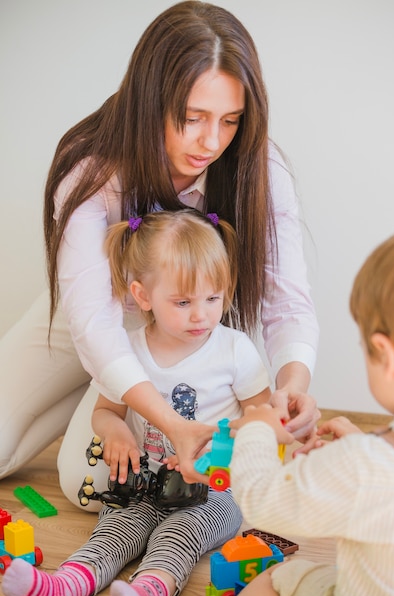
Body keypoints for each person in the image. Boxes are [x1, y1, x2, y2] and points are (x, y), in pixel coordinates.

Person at [0, 1, 319, 509]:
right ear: (150, 100)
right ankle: (92, 386)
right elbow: (93, 321)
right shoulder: (91, 170)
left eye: (230, 121)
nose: (211, 142)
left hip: (178, 330)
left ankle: (96, 394)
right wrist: (166, 421)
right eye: (192, 118)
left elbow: (289, 301)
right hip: (99, 309)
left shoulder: (261, 169)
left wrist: (294, 384)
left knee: (88, 486)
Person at [2, 208, 272, 596]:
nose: (201, 314)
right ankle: (64, 588)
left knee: (178, 535)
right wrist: (116, 435)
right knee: (114, 530)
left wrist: (233, 444)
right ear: (143, 296)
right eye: (183, 302)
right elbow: (107, 412)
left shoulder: (235, 351)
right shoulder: (127, 351)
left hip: (213, 492)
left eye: (213, 298)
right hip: (145, 481)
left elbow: (261, 415)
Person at [223, 226, 394, 596]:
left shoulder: (365, 468)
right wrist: (369, 443)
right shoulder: (374, 462)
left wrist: (256, 429)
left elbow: (264, 501)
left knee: (281, 577)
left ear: (386, 353)